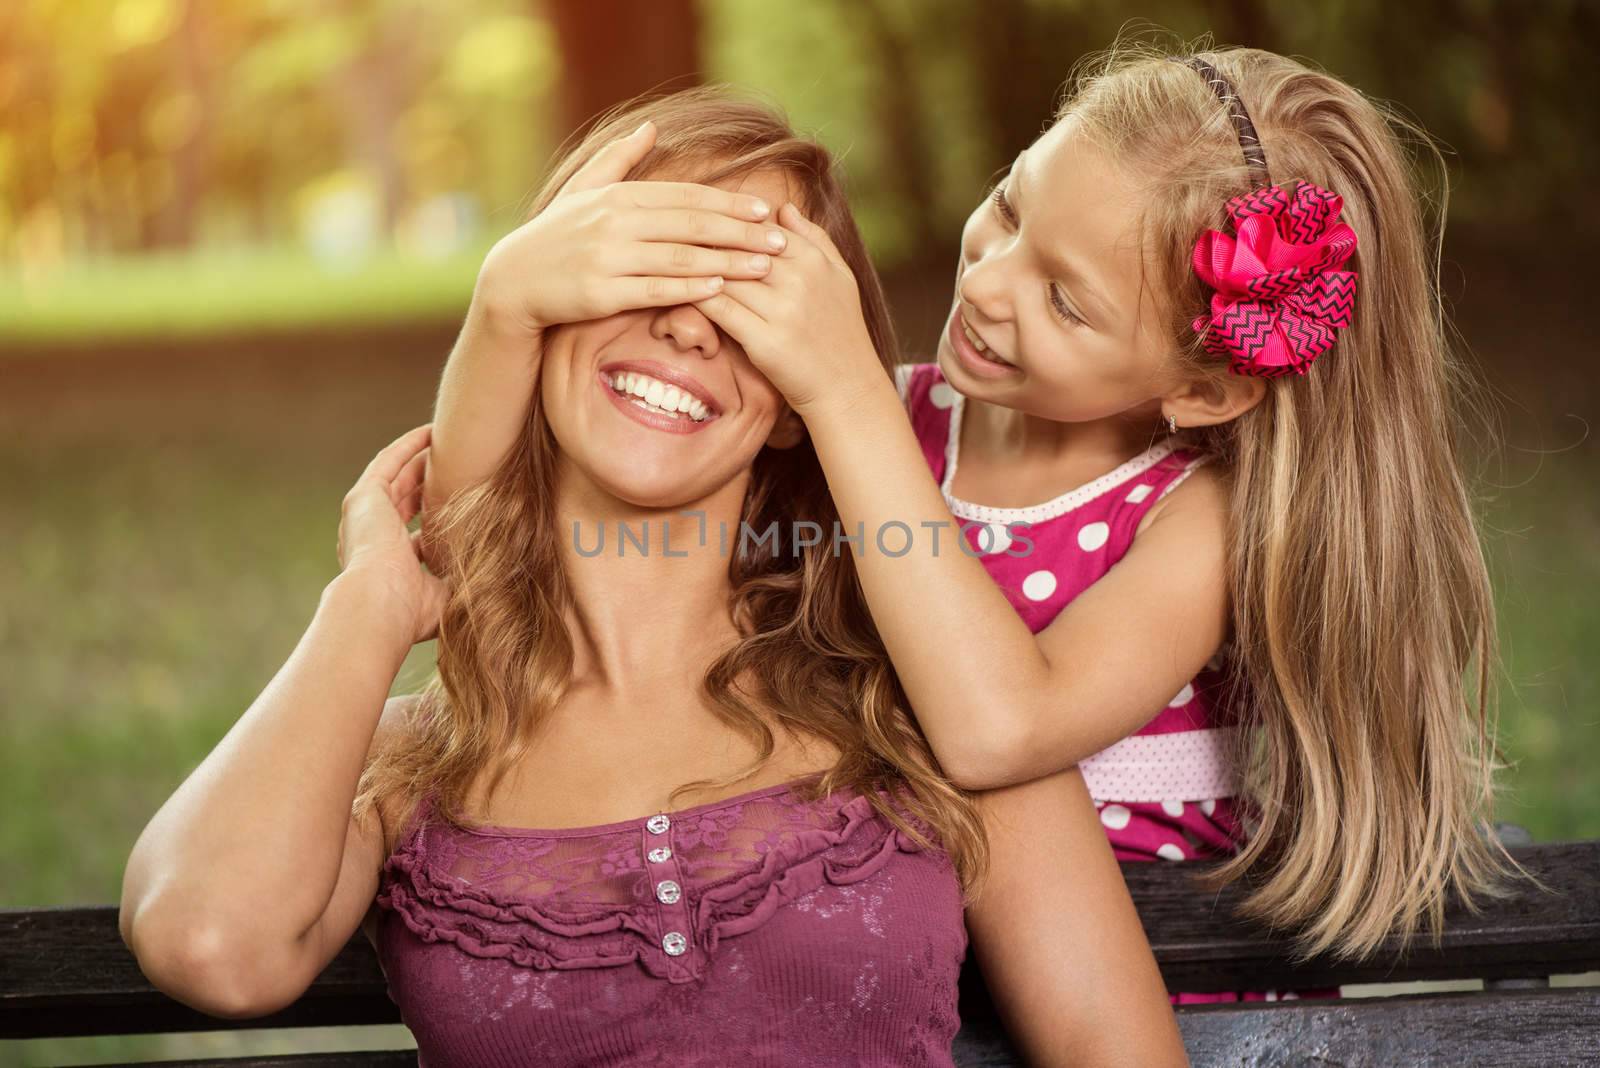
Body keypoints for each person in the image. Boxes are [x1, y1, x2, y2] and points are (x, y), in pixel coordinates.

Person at [119, 88, 1186, 1067]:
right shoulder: (416, 759)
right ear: (536, 320)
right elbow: (211, 944)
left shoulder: (925, 708)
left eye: (749, 300)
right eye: (639, 268)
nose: (684, 322)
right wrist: (370, 605)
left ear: (790, 405)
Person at [682, 40, 1516, 987]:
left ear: (1205, 388)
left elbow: (1001, 729)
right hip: (906, 969)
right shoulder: (887, 425)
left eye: (1066, 303)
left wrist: (842, 396)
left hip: (1157, 995)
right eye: (1008, 205)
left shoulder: (1200, 518)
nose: (988, 283)